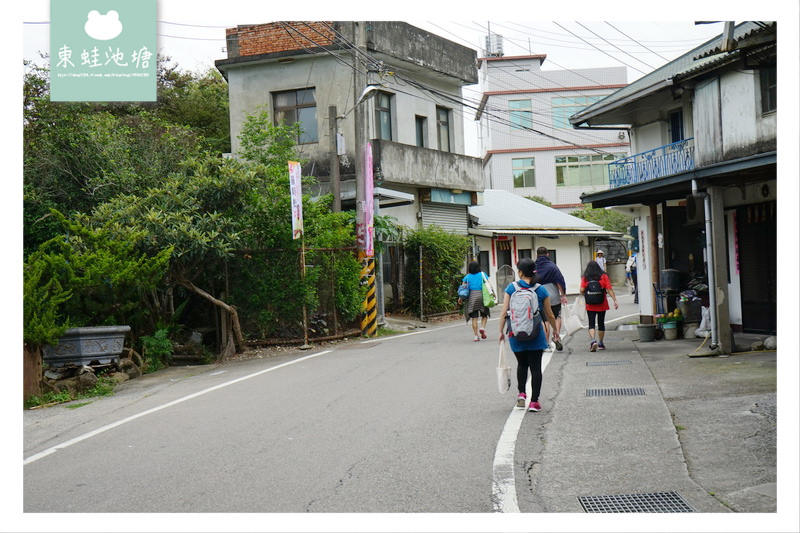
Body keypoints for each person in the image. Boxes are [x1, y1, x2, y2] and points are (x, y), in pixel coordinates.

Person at [498, 257, 559, 412]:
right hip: (535, 334)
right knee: (536, 368)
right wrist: (555, 330)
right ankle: (534, 402)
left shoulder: (511, 289)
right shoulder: (541, 290)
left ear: (519, 272)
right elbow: (550, 314)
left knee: (522, 364)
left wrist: (500, 331)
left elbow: (504, 312)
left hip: (515, 333)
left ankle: (521, 394)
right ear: (534, 271)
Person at [533, 247, 568, 352]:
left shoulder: (533, 267)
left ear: (537, 255)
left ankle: (545, 344)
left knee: (545, 320)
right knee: (557, 316)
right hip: (553, 294)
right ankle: (556, 336)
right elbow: (559, 280)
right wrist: (563, 295)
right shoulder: (552, 266)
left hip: (539, 294)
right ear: (547, 254)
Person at [580, 260, 618, 351]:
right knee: (601, 323)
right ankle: (601, 343)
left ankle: (593, 341)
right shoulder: (603, 276)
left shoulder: (585, 277)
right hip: (602, 303)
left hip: (590, 304)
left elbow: (581, 290)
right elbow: (609, 289)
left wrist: (585, 293)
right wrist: (615, 300)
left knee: (591, 323)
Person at [460, 261, 491, 342]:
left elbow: (463, 288)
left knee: (474, 317)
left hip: (472, 297)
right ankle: (482, 328)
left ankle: (476, 336)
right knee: (484, 314)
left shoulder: (467, 277)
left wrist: (460, 298)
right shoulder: (483, 275)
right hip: (482, 296)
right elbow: (489, 285)